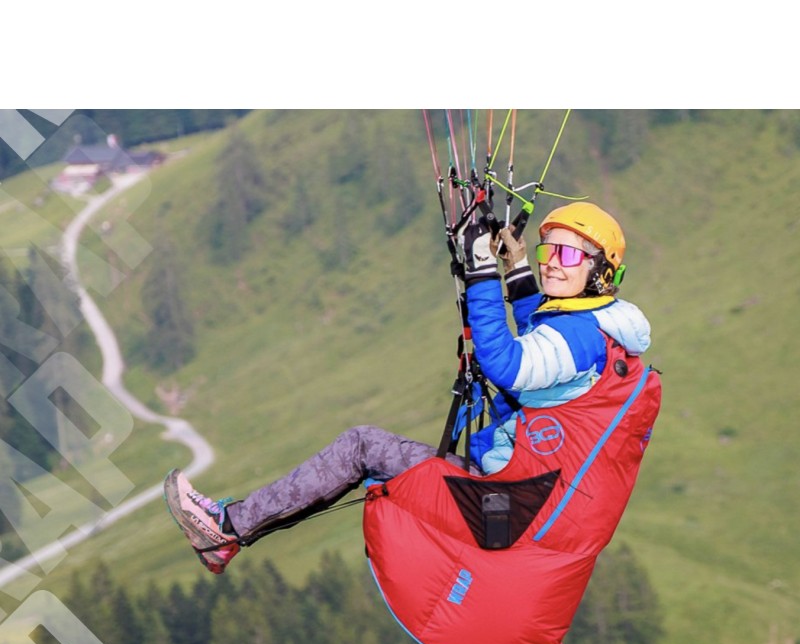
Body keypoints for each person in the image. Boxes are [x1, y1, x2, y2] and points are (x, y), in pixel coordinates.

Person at [164, 201, 651, 574]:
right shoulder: (598, 325)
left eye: (569, 254)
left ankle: (225, 528)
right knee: (370, 457)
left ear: (601, 270)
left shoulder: (582, 335)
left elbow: (507, 364)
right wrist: (517, 266)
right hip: (514, 502)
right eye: (549, 251)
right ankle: (230, 532)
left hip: (501, 507)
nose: (553, 263)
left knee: (361, 447)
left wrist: (483, 271)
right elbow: (541, 339)